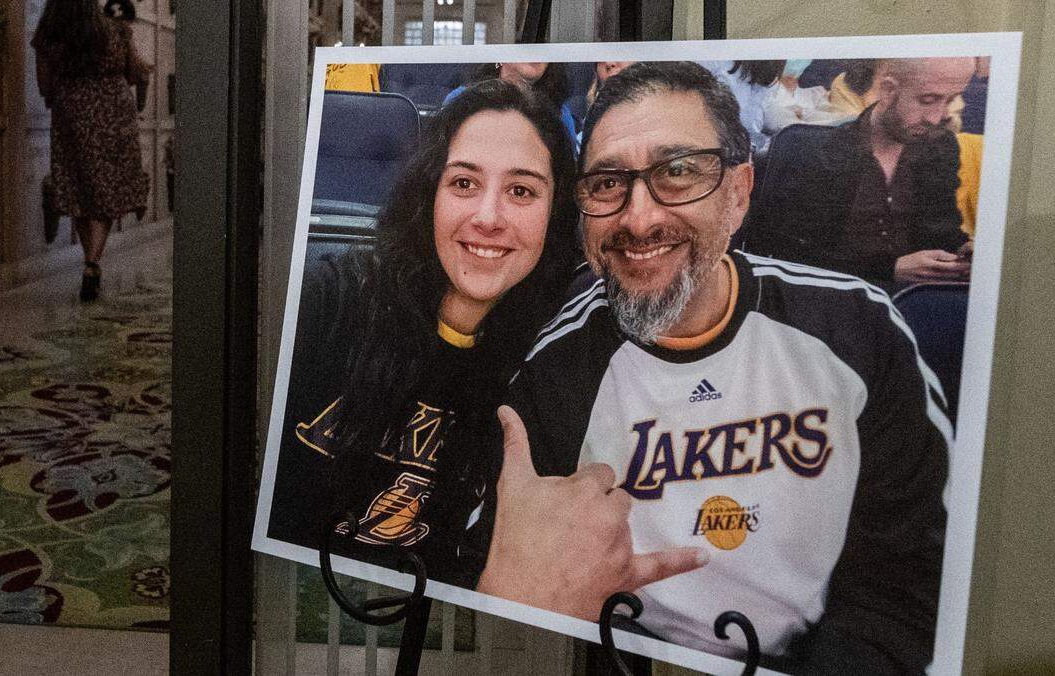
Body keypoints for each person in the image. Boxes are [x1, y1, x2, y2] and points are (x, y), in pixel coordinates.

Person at [476, 62, 951, 673]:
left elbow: (911, 581)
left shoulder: (859, 331)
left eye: (678, 173)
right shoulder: (552, 367)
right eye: (605, 184)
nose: (638, 218)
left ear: (739, 193)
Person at [265, 80, 580, 586]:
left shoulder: (555, 357)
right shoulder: (330, 301)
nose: (487, 217)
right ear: (429, 192)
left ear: (555, 212)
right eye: (463, 184)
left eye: (521, 191)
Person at [745, 57, 976, 291]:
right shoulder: (819, 153)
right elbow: (788, 256)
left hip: (918, 297)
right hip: (837, 298)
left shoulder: (939, 147)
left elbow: (939, 229)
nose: (937, 117)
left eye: (951, 100)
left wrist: (961, 250)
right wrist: (890, 269)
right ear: (887, 90)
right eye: (927, 100)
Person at [32, 0, 150, 301]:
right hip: (113, 112)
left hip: (71, 114)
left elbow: (44, 87)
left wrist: (71, 93)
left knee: (81, 190)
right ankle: (92, 262)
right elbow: (134, 71)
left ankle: (90, 261)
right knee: (107, 189)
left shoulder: (47, 36)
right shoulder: (116, 31)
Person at [445, 63, 579, 149]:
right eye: (525, 41)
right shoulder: (461, 99)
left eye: (543, 42)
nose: (535, 50)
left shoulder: (560, 114)